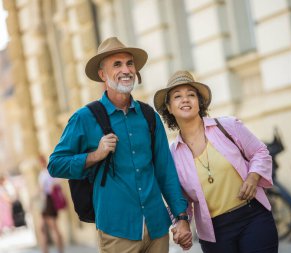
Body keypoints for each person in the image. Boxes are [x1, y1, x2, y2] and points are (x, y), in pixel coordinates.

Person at [48, 37, 192, 253]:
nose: (126, 70)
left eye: (129, 63)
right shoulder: (84, 118)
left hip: (157, 228)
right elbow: (55, 164)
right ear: (102, 74)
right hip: (116, 231)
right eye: (117, 64)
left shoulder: (149, 117)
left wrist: (181, 217)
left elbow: (165, 172)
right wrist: (95, 155)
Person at [153, 70, 279, 253]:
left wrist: (253, 177)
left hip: (253, 217)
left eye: (191, 95)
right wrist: (182, 224)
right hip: (215, 233)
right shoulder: (172, 154)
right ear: (169, 108)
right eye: (177, 96)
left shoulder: (227, 126)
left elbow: (261, 152)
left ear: (199, 102)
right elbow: (178, 197)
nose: (185, 99)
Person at [38, 156, 64, 253]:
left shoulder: (46, 173)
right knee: (45, 228)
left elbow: (42, 189)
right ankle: (56, 250)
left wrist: (52, 185)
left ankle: (59, 250)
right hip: (48, 201)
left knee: (52, 227)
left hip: (48, 200)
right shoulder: (47, 172)